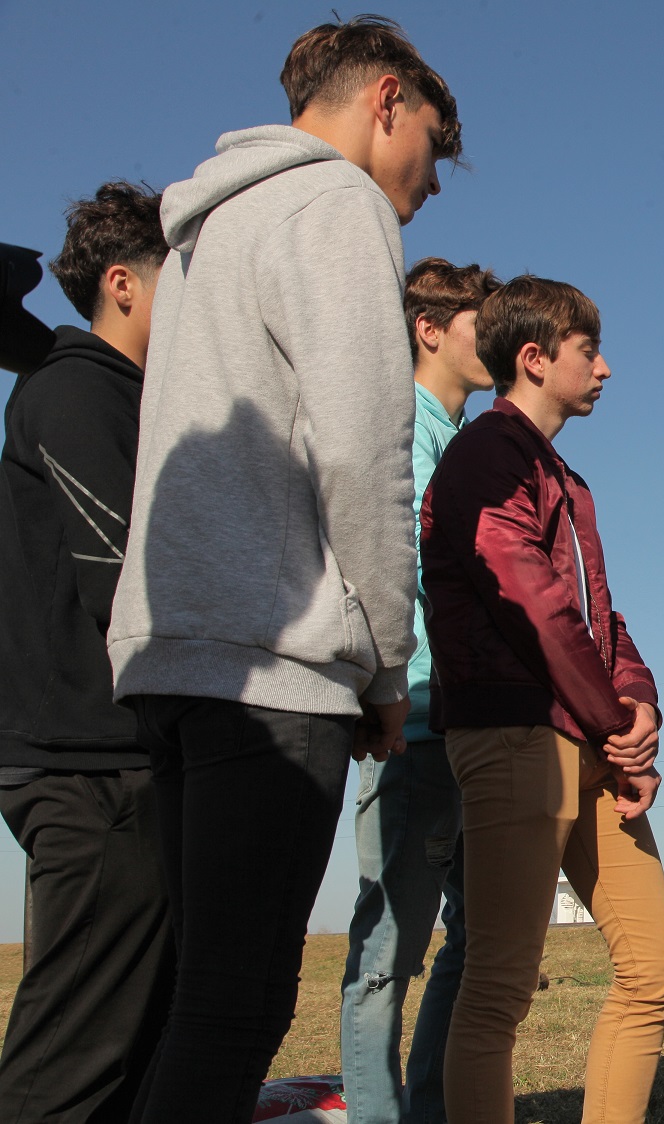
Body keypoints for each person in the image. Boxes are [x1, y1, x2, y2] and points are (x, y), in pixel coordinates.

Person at [104, 16, 462, 1121]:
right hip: (273, 658)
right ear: (386, 100)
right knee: (239, 1001)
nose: (431, 185)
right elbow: (362, 445)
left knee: (193, 997)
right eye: (433, 150)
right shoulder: (336, 204)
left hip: (172, 651)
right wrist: (387, 663)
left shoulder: (207, 228)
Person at [421, 275, 664, 1124]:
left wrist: (639, 703)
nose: (604, 368)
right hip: (513, 736)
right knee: (499, 985)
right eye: (587, 351)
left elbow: (593, 610)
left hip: (587, 741)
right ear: (534, 359)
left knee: (654, 963)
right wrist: (613, 724)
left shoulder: (559, 473)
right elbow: (527, 597)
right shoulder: (486, 456)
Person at [0, 182, 174, 1124]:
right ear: (123, 284)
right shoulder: (73, 391)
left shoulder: (120, 395)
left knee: (138, 1039)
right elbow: (129, 587)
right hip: (88, 766)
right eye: (181, 280)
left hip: (117, 759)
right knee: (73, 1058)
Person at [340, 258, 501, 1124]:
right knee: (387, 947)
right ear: (428, 328)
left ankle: (431, 1109)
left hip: (474, 722)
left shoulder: (465, 436)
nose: (502, 341)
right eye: (484, 322)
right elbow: (393, 570)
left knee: (473, 936)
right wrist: (389, 688)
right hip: (416, 715)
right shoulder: (401, 428)